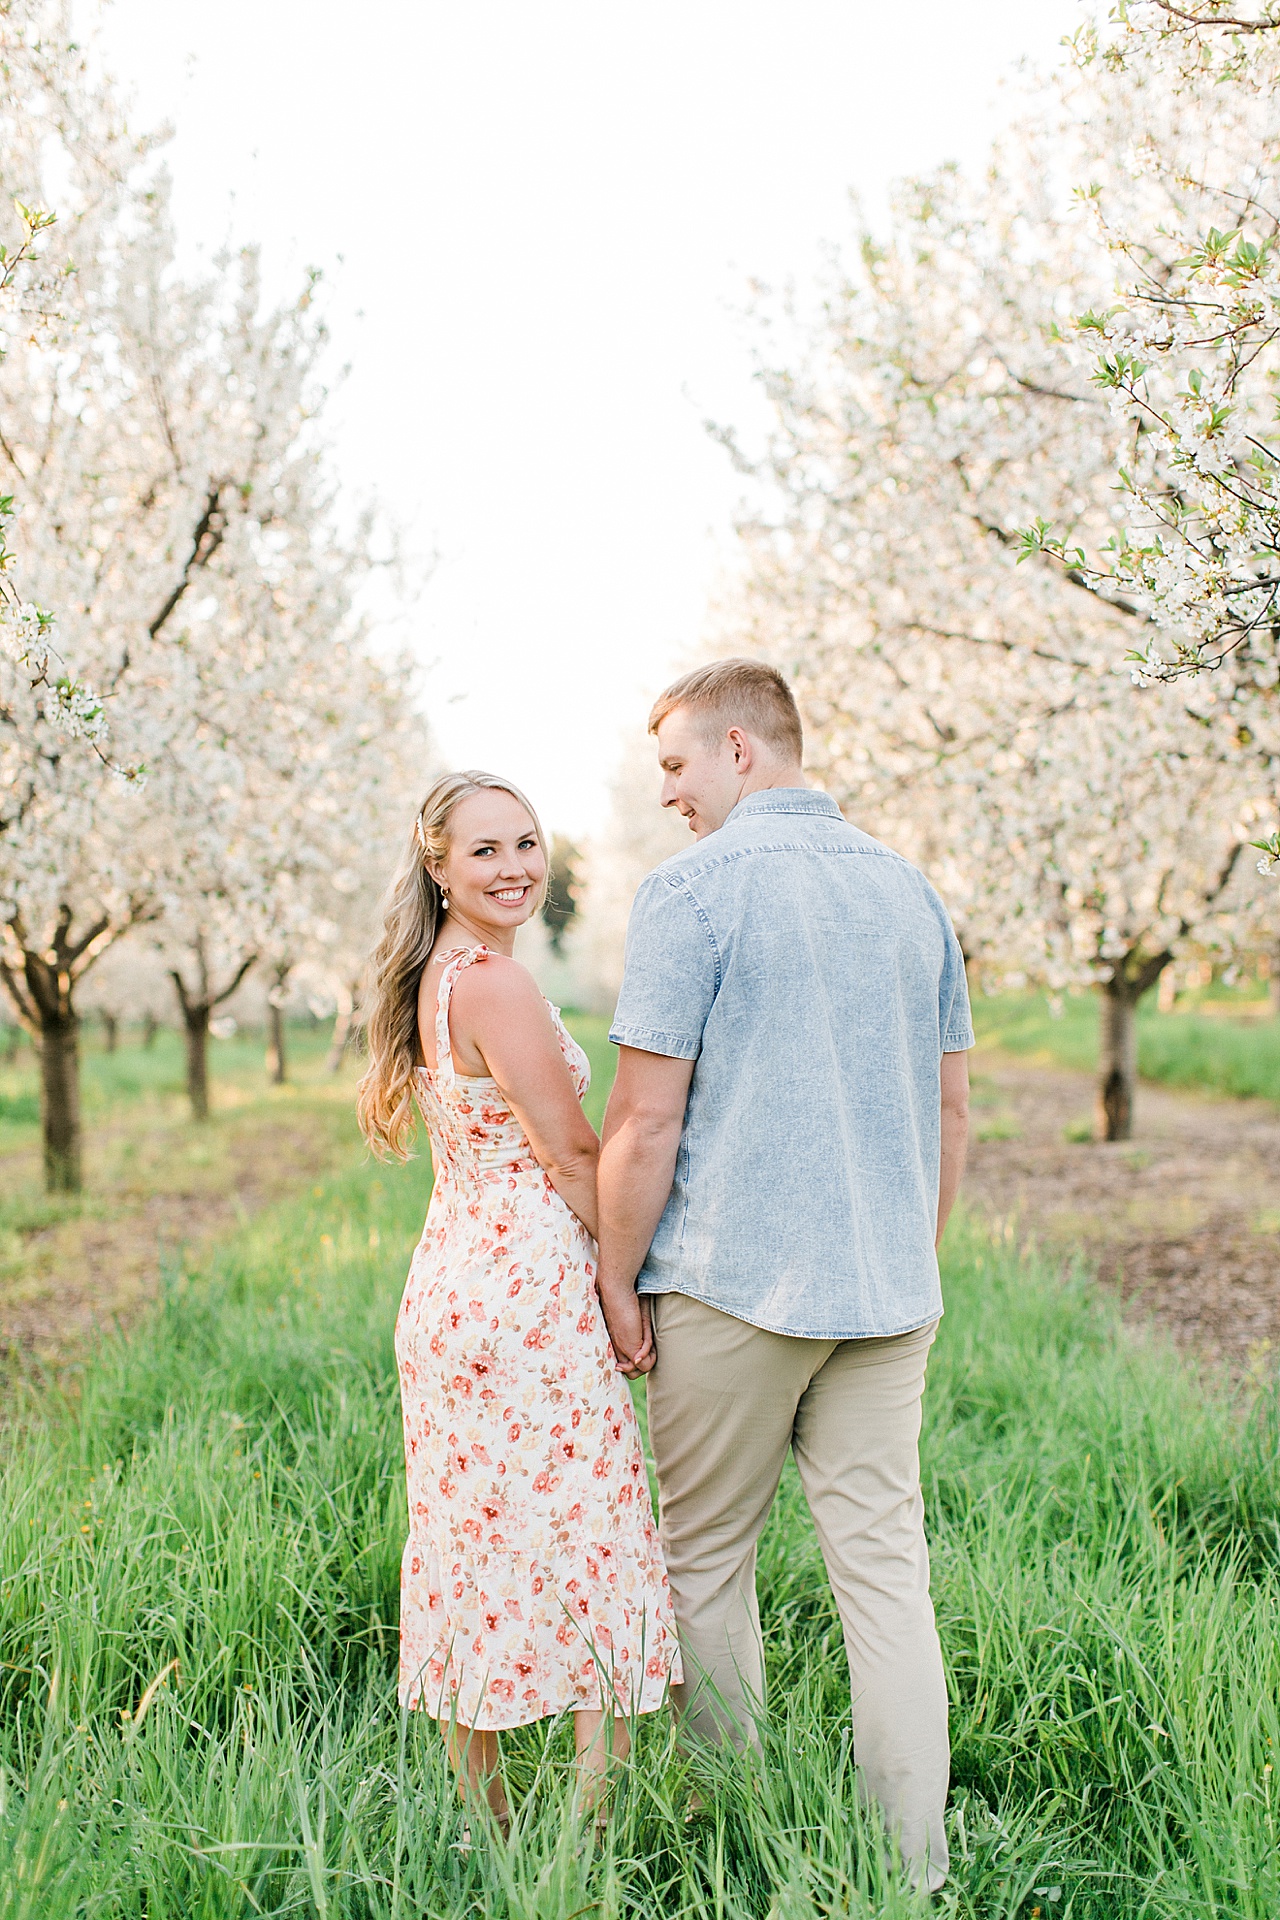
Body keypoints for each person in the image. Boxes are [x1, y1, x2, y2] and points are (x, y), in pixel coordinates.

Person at [595, 661, 972, 1892]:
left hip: (729, 1286)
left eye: (673, 764)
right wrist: (905, 1257)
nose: (665, 795)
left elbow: (645, 1126)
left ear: (741, 751)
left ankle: (735, 1843)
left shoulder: (690, 895)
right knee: (885, 1578)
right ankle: (911, 1871)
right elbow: (948, 1106)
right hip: (885, 1292)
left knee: (703, 1563)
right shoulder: (910, 893)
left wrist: (614, 1275)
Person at [357, 770, 680, 1835]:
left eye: (526, 844)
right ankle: (590, 1837)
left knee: (470, 1544)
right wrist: (619, 1280)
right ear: (438, 863)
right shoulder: (489, 982)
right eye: (485, 850)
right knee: (589, 1534)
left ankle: (487, 1827)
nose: (514, 868)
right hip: (527, 1290)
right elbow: (571, 1148)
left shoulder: (432, 975)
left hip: (451, 1283)